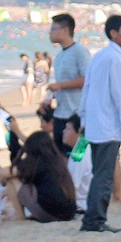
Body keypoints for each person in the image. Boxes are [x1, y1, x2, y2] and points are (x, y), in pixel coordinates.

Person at [79, 15, 121, 233]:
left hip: (98, 123)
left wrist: (84, 117)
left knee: (100, 173)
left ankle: (93, 219)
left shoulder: (102, 56)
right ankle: (94, 221)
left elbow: (87, 89)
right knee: (104, 176)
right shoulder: (112, 58)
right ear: (113, 33)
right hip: (106, 125)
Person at [7, 129, 76, 223]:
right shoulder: (58, 160)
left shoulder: (35, 163)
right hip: (69, 212)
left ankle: (20, 217)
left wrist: (5, 187)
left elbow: (3, 174)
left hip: (50, 214)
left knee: (11, 180)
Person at [45, 14, 88, 150]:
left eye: (53, 29)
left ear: (65, 30)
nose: (50, 33)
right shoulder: (59, 56)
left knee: (73, 157)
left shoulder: (80, 52)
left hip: (75, 115)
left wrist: (60, 86)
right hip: (60, 113)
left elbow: (87, 79)